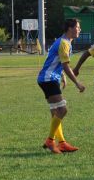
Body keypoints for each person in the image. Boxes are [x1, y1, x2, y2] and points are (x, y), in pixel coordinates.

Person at [36, 19, 85, 154]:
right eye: (78, 27)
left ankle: (62, 143)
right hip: (48, 79)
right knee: (62, 110)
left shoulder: (64, 41)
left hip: (47, 78)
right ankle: (50, 140)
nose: (79, 30)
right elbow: (65, 65)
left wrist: (62, 76)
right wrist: (77, 83)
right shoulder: (64, 43)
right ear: (70, 28)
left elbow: (55, 61)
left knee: (55, 112)